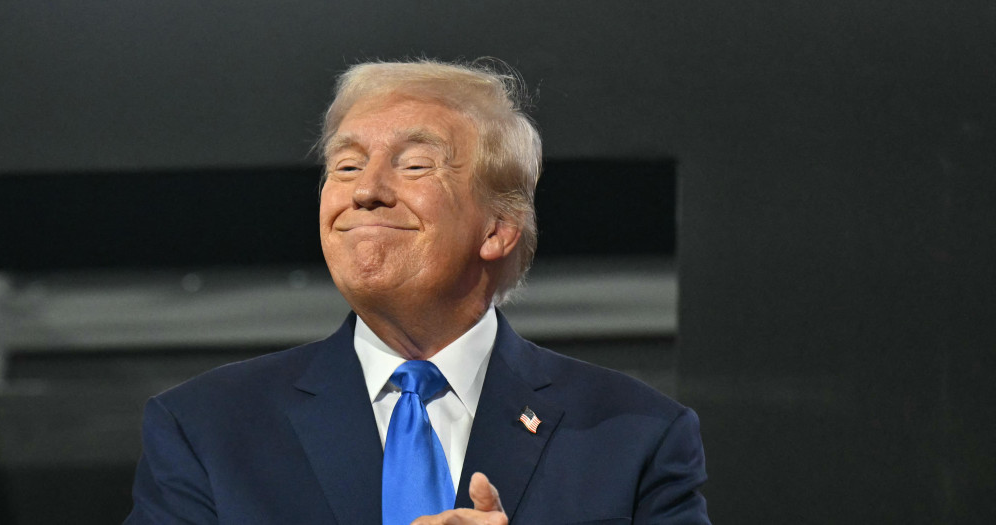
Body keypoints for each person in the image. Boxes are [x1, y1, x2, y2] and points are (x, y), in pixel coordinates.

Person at [125, 59, 710, 525]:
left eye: (414, 166)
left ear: (498, 228)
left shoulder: (636, 436)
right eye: (347, 167)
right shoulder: (206, 429)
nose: (366, 191)